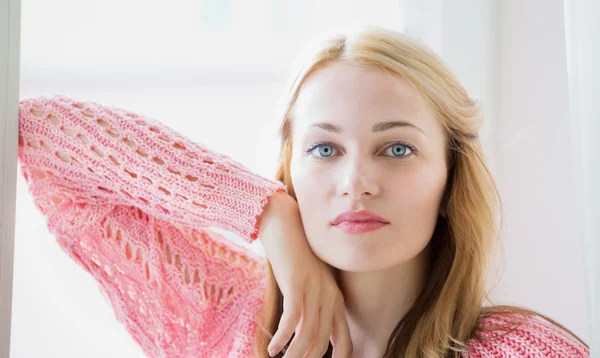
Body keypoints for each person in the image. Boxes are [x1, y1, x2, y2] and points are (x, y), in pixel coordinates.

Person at [16, 27, 589, 358]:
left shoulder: (526, 351)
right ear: (291, 168)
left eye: (396, 149)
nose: (356, 183)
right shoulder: (222, 313)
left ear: (449, 180)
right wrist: (266, 213)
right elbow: (40, 131)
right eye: (324, 149)